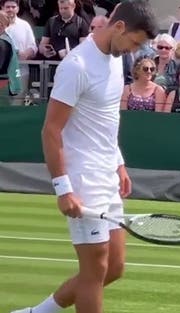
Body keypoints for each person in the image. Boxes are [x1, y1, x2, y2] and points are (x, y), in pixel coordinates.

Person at [10, 1, 159, 313]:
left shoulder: (117, 58)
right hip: (82, 178)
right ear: (119, 27)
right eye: (134, 42)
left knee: (115, 267)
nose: (135, 50)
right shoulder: (76, 66)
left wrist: (118, 163)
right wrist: (63, 188)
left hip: (107, 173)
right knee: (95, 271)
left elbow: (105, 120)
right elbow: (51, 131)